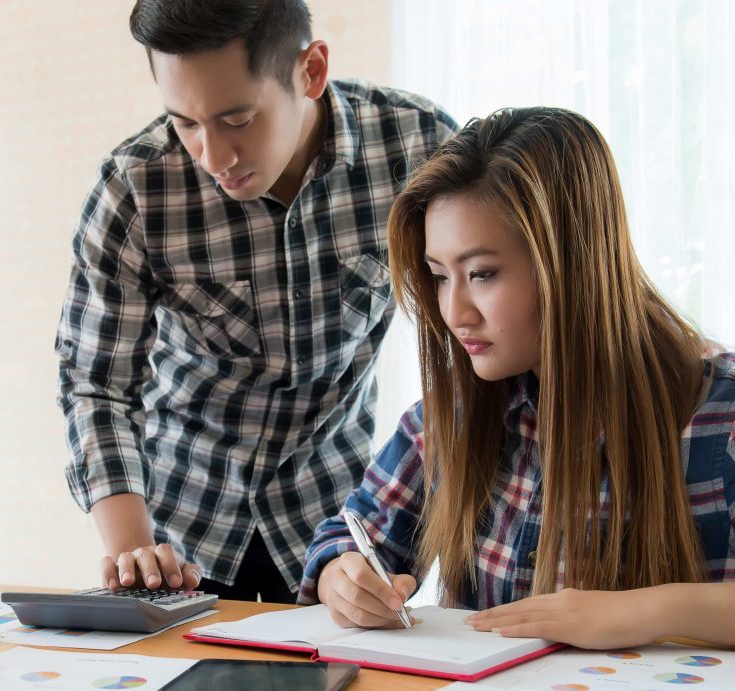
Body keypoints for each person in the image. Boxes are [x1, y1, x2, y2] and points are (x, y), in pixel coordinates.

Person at [56, 0, 458, 602]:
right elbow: (96, 384)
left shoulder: (418, 146)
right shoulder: (135, 188)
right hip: (186, 534)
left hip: (335, 529)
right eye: (185, 124)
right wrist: (134, 551)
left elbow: (475, 333)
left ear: (311, 72)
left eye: (237, 119)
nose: (212, 158)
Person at [299, 107, 735, 649]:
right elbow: (350, 539)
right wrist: (342, 577)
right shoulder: (453, 416)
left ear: (571, 263)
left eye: (482, 273)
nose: (454, 311)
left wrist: (643, 611)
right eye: (439, 277)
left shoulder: (717, 414)